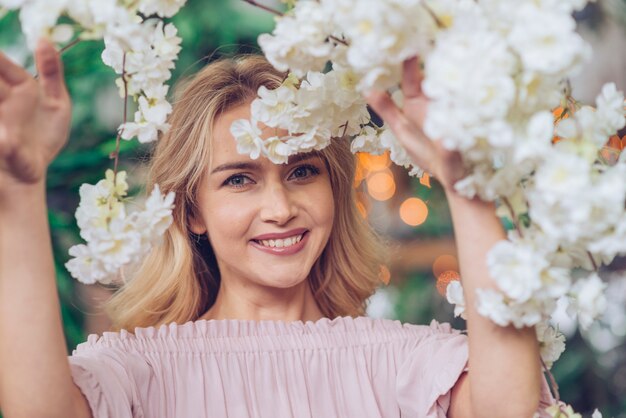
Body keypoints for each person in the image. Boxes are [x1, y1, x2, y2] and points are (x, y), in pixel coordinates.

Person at [0, 40, 552, 418]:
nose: (280, 207)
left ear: (334, 188)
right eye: (239, 179)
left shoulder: (406, 363)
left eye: (302, 172)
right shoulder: (138, 371)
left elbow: (510, 408)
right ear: (192, 210)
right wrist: (20, 192)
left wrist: (467, 185)